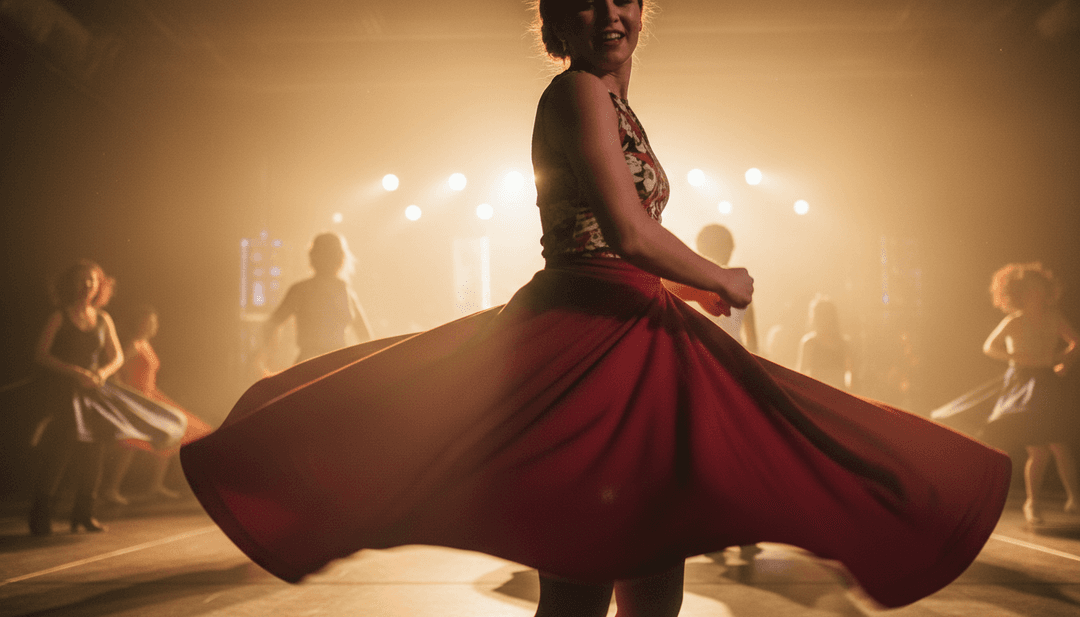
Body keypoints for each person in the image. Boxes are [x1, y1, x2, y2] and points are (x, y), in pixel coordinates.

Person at [181, 1, 1010, 614]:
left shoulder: (620, 109)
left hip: (635, 337)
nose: (608, 11)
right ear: (556, 22)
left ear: (643, 11)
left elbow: (630, 237)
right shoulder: (575, 93)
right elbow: (623, 232)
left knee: (652, 577)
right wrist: (719, 277)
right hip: (586, 345)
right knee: (584, 584)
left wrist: (682, 285)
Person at [28, 261, 186, 536]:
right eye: (81, 280)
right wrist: (74, 371)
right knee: (61, 453)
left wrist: (101, 372)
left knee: (94, 454)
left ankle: (83, 514)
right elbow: (41, 354)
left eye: (91, 280)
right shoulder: (59, 316)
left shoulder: (102, 319)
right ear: (71, 284)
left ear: (99, 286)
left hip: (94, 392)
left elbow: (117, 357)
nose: (87, 285)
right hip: (65, 393)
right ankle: (40, 516)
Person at [980, 262, 1079, 525]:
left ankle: (1075, 500)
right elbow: (989, 347)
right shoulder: (1015, 321)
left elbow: (1076, 342)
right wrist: (1013, 355)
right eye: (1030, 290)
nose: (1035, 295)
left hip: (1046, 382)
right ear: (1019, 294)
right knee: (1039, 450)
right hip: (1022, 385)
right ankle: (1031, 504)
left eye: (1039, 289)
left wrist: (1064, 362)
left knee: (1058, 445)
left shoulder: (1054, 317)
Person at [99, 305, 213, 505]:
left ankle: (155, 486)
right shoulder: (134, 345)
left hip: (151, 396)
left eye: (154, 321)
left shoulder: (145, 344)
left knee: (176, 432)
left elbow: (149, 378)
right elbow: (117, 369)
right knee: (130, 445)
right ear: (138, 323)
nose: (152, 325)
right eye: (148, 321)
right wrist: (124, 396)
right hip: (137, 399)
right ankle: (111, 490)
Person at [260, 232, 372, 368]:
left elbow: (366, 338)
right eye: (327, 253)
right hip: (317, 366)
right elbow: (272, 324)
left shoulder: (345, 291)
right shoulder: (302, 290)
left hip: (332, 366)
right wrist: (264, 359)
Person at [692, 224, 758, 353]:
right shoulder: (687, 283)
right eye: (720, 246)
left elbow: (752, 342)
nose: (728, 252)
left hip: (732, 360)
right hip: (702, 357)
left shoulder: (741, 285)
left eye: (728, 247)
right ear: (702, 248)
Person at [795, 294, 853, 390]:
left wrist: (849, 391)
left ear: (833, 317)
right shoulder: (809, 343)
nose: (824, 319)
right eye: (820, 315)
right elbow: (800, 374)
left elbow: (850, 373)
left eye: (826, 314)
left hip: (839, 395)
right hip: (815, 394)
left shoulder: (844, 344)